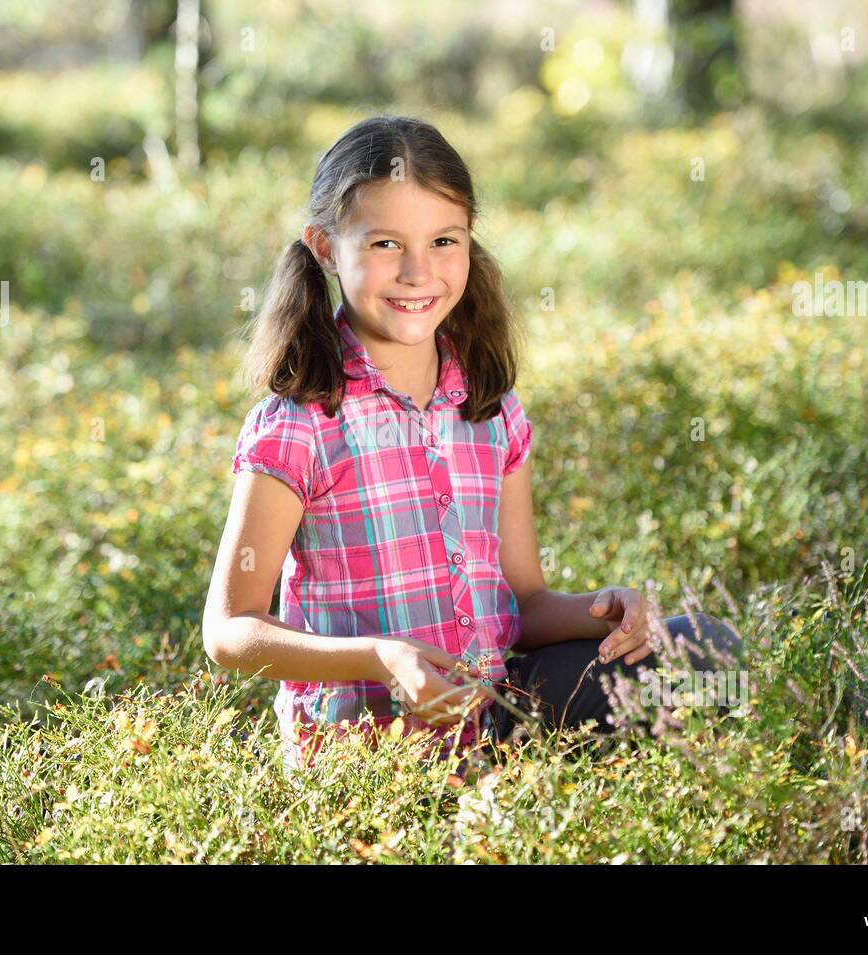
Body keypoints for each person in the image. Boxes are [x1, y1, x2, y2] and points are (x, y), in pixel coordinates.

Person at [202, 113, 744, 775]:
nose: (417, 271)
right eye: (383, 245)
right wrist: (380, 655)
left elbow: (526, 606)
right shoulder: (301, 421)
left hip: (492, 721)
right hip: (371, 756)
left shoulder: (489, 410)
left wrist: (605, 608)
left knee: (702, 644)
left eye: (443, 241)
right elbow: (230, 630)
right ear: (323, 246)